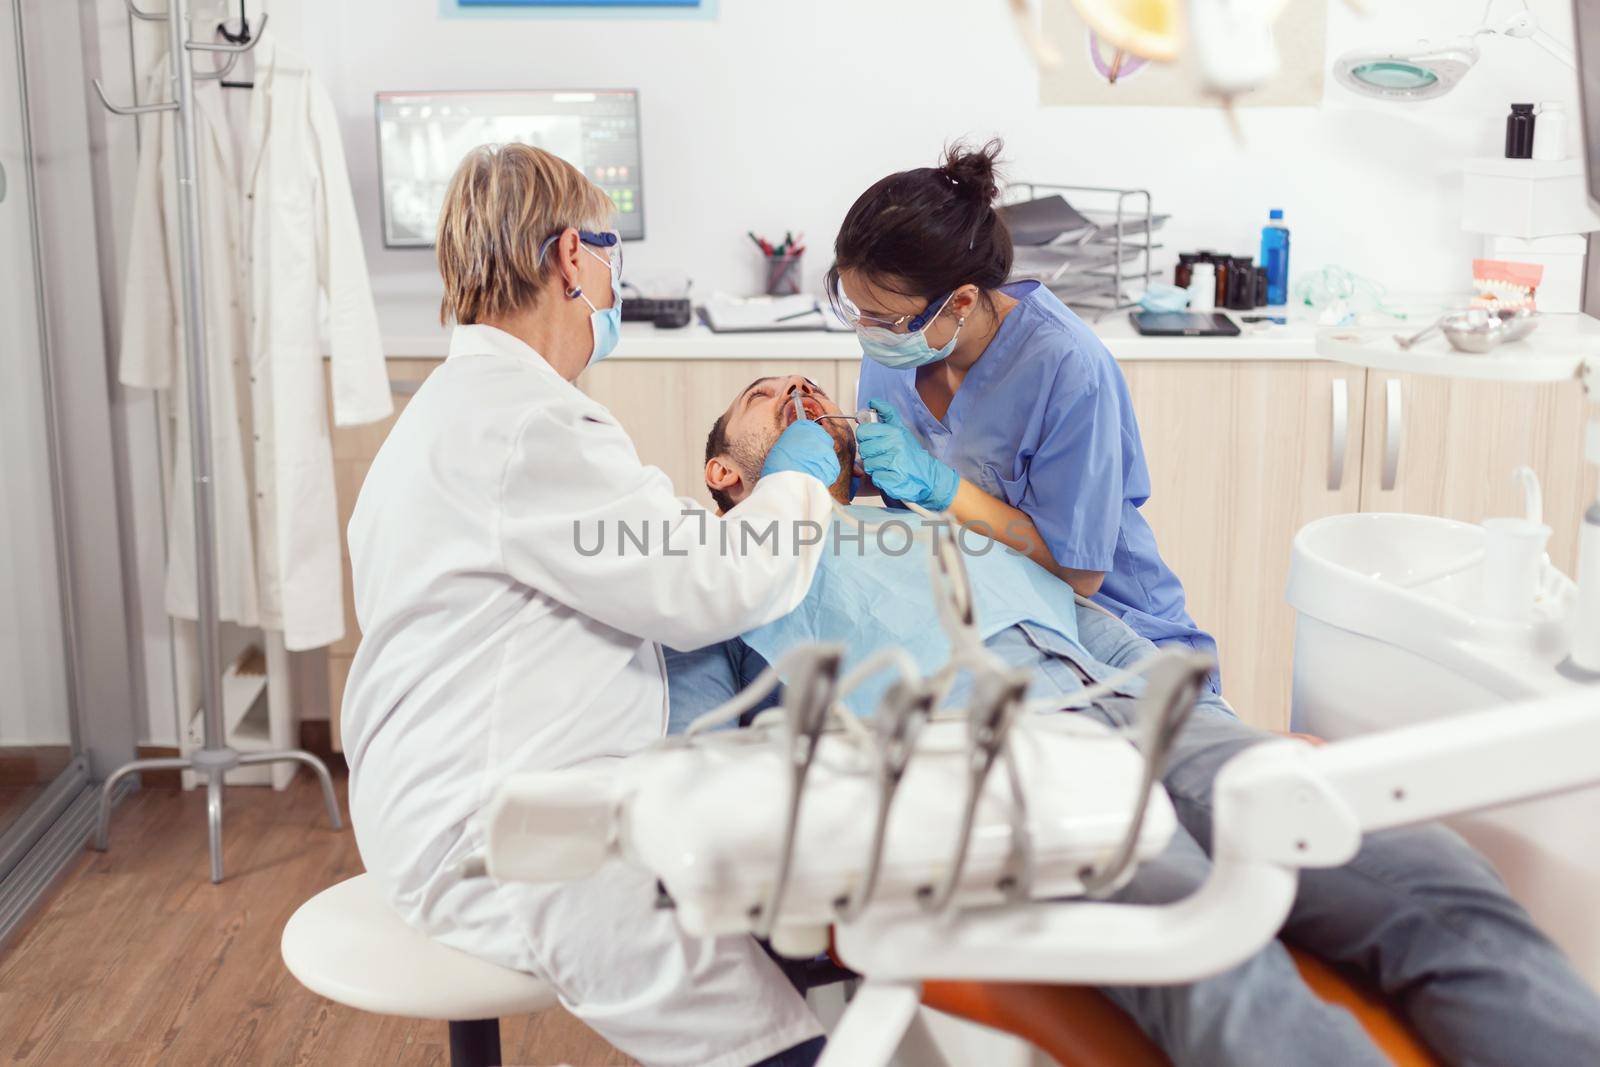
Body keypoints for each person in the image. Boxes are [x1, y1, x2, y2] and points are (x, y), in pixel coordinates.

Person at [667, 374, 1600, 1066]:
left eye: (805, 385)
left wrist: (1234, 736)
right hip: (998, 762)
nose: (797, 389)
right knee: (1210, 945)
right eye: (764, 395)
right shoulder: (711, 579)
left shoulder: (931, 519)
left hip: (1151, 719)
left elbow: (1097, 629)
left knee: (1436, 882)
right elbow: (701, 761)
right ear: (721, 468)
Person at [340, 144, 841, 1067]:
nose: (614, 282)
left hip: (449, 787)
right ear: (573, 256)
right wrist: (805, 478)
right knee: (773, 1041)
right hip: (506, 828)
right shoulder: (528, 423)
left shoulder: (469, 410)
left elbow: (638, 555)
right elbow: (708, 584)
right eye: (611, 255)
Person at [828, 139, 1221, 690]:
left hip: (1109, 628)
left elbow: (1079, 572)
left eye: (884, 319)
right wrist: (834, 467)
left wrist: (938, 484)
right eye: (855, 311)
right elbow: (908, 473)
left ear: (961, 301)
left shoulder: (1067, 368)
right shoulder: (895, 349)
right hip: (985, 615)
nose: (867, 332)